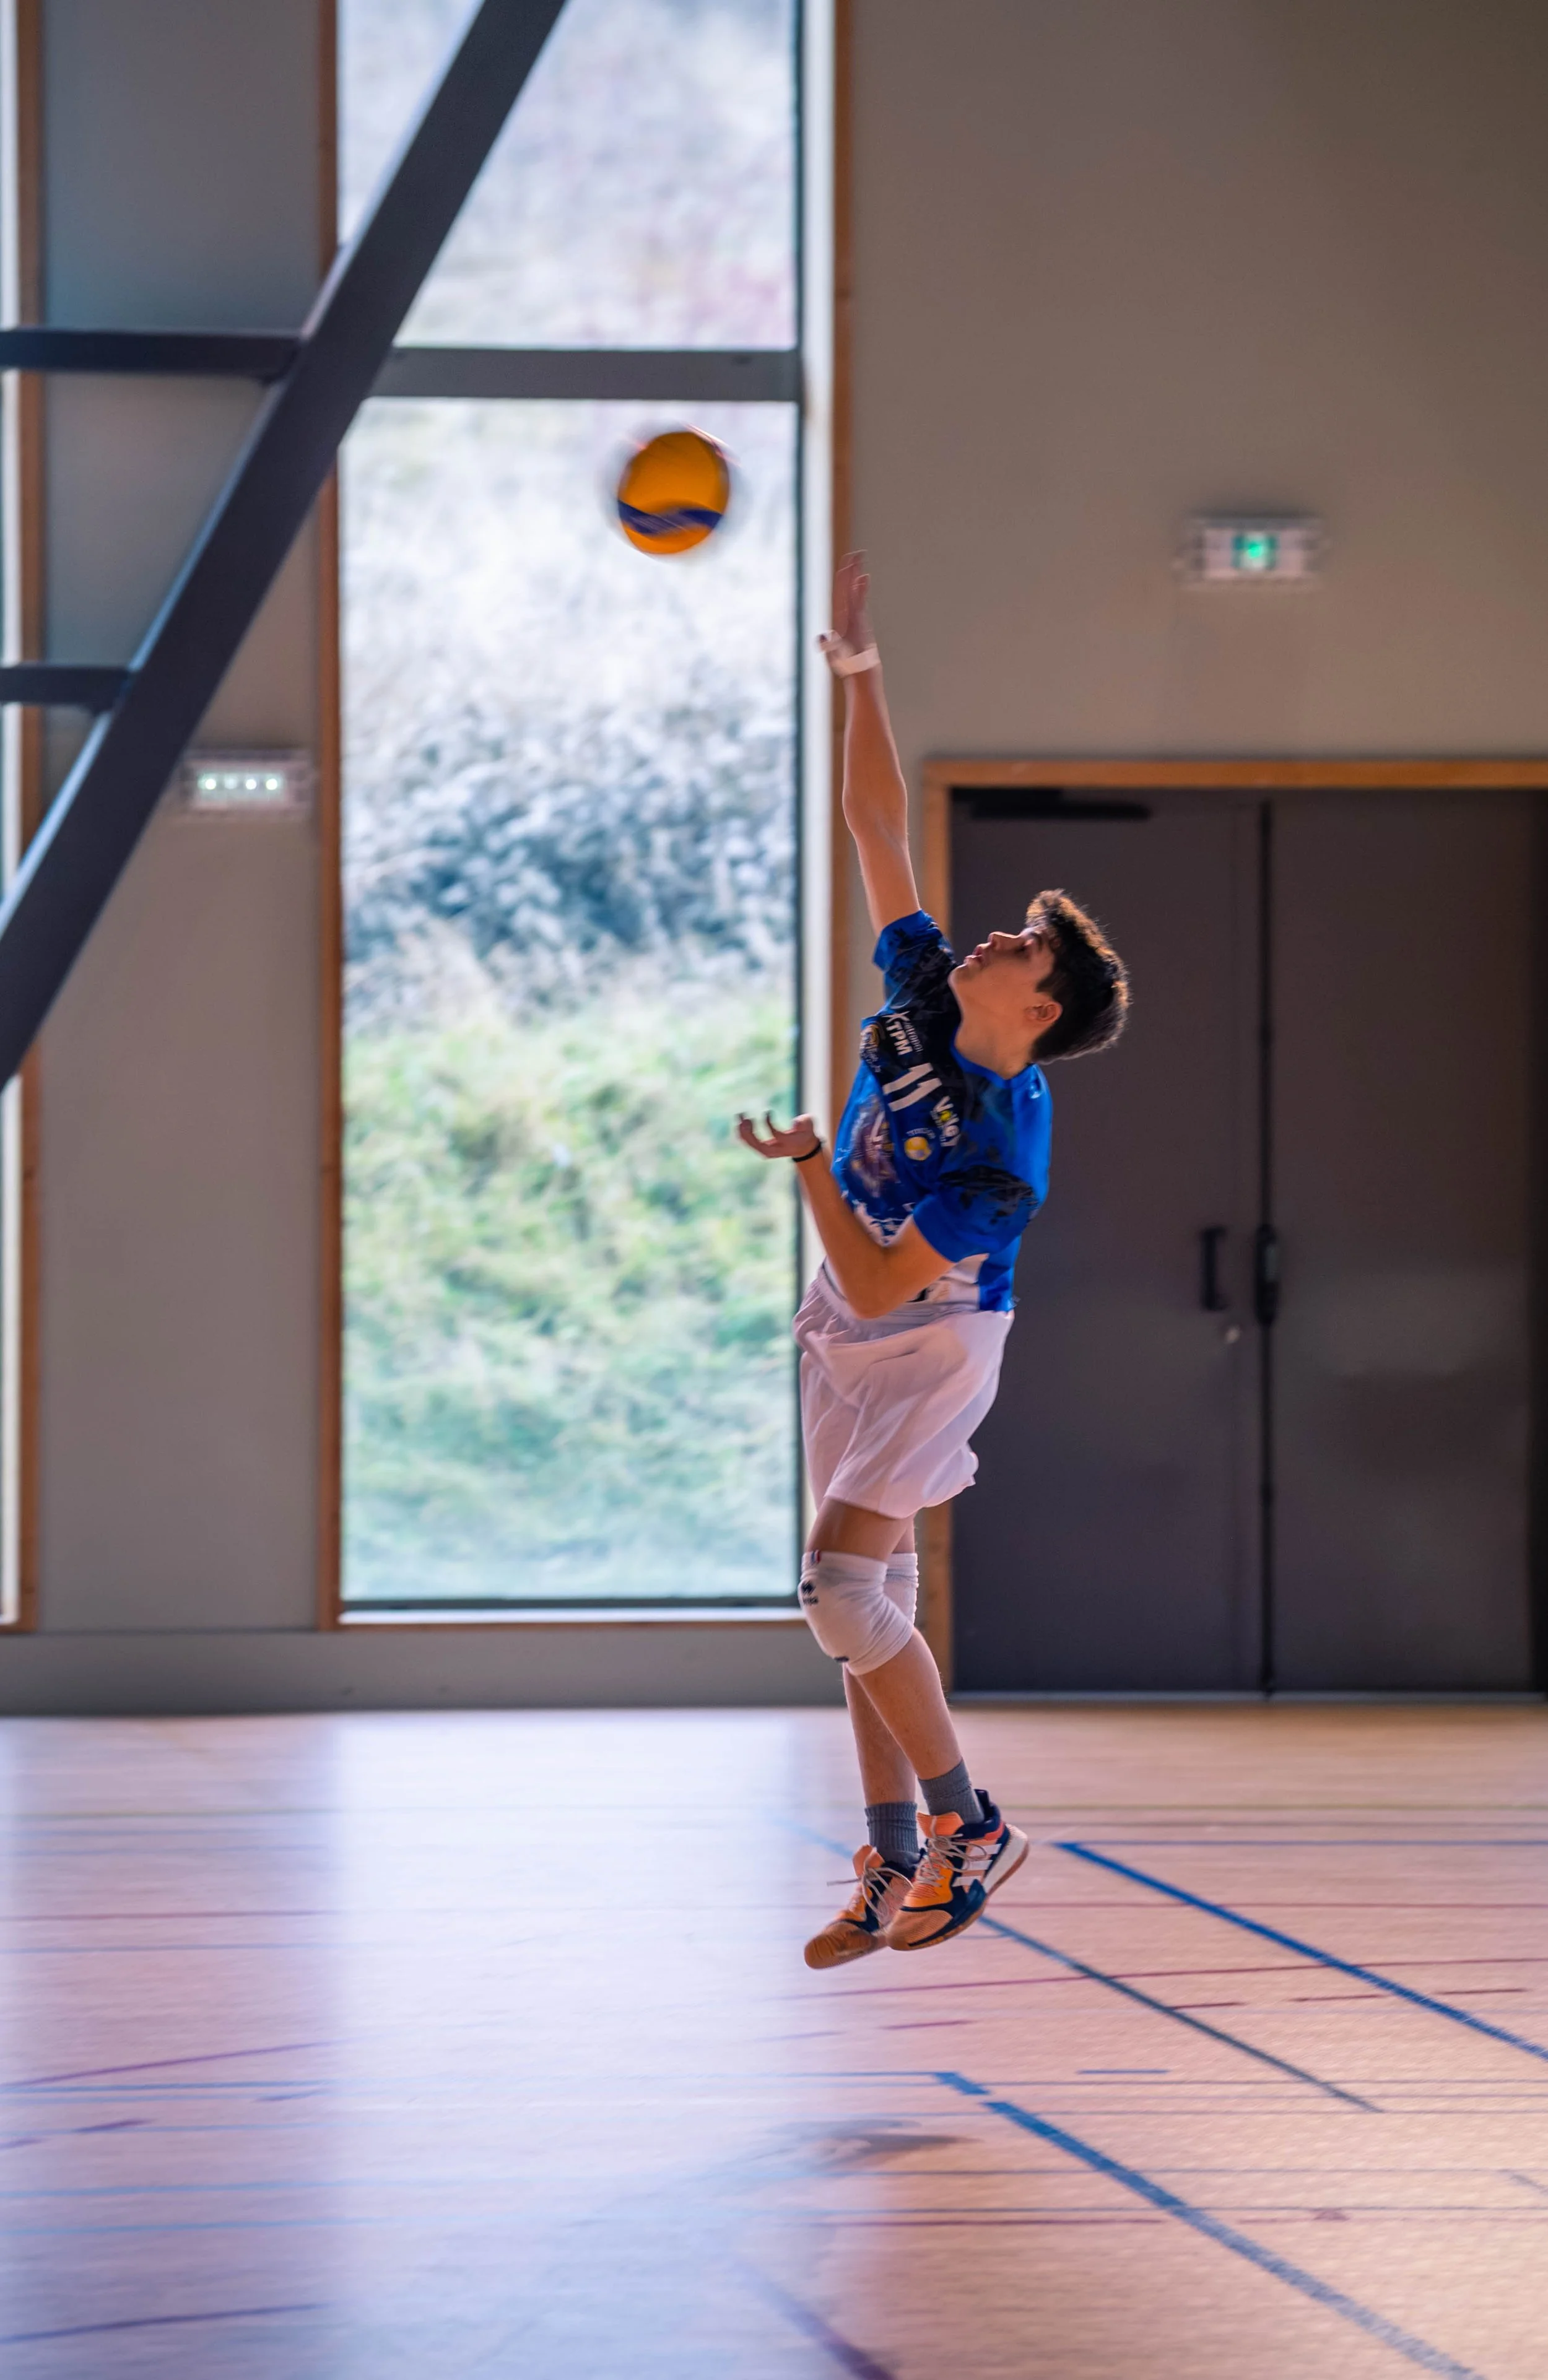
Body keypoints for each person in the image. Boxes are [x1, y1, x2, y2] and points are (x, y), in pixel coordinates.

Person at [739, 554, 1129, 1967]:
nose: (991, 931)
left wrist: (798, 1170)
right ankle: (892, 1850)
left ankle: (971, 1824)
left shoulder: (1000, 1151)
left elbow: (897, 1277)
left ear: (1039, 1007)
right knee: (859, 1601)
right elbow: (872, 822)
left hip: (932, 1329)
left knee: (839, 1593)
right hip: (845, 1313)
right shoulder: (923, 992)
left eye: (1021, 942)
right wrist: (858, 670)